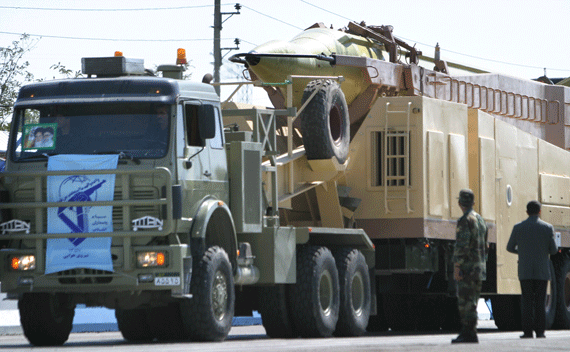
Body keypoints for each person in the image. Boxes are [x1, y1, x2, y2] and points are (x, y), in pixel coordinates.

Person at [506, 200, 557, 338]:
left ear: (527, 212)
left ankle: (527, 332)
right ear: (540, 211)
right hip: (542, 271)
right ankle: (540, 332)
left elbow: (509, 247)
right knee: (540, 302)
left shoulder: (518, 227)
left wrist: (522, 252)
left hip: (525, 270)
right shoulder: (547, 228)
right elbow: (553, 250)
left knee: (527, 302)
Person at [451, 189, 488, 344]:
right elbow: (486, 245)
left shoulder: (465, 220)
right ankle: (471, 332)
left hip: (468, 268)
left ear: (460, 203)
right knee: (472, 302)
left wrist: (457, 266)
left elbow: (462, 246)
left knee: (465, 303)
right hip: (479, 267)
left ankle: (468, 333)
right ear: (473, 202)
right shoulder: (480, 220)